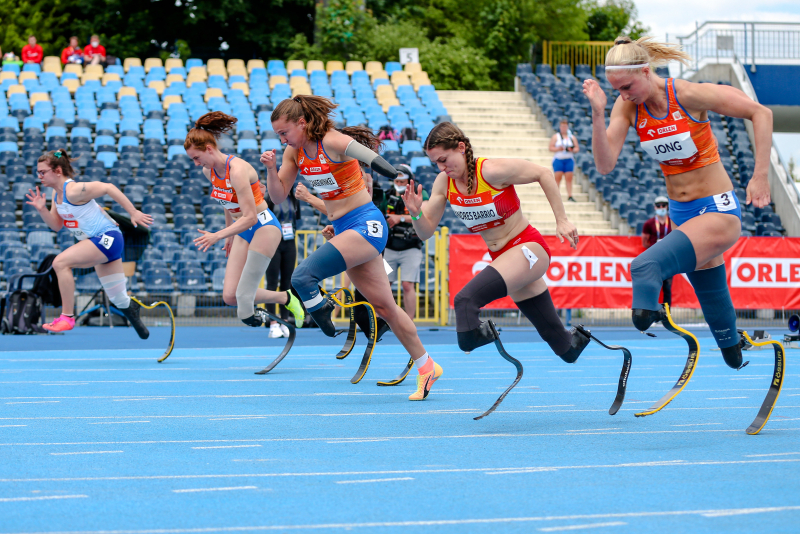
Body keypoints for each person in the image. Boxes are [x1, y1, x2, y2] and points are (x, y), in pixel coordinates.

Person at [582, 36, 773, 369]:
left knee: (644, 267)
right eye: (617, 90)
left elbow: (761, 113)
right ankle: (736, 352)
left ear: (645, 71)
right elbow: (604, 164)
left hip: (717, 210)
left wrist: (760, 175)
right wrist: (598, 114)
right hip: (680, 213)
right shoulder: (627, 107)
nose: (624, 95)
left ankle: (648, 317)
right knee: (714, 299)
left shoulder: (687, 94)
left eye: (627, 86)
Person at [261, 95, 440, 401]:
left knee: (302, 278)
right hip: (345, 228)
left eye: (285, 132)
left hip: (367, 224)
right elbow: (278, 196)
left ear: (302, 123)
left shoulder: (332, 141)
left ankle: (325, 314)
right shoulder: (294, 152)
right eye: (278, 134)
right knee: (386, 308)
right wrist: (272, 168)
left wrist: (391, 173)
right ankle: (428, 367)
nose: (282, 138)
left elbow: (367, 156)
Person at [403, 122, 590, 363]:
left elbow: (543, 173)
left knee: (465, 301)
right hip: (504, 259)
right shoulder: (444, 183)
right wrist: (417, 213)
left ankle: (480, 335)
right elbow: (426, 232)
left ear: (461, 147)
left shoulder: (490, 171)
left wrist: (561, 220)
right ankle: (577, 339)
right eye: (436, 163)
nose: (441, 167)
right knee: (563, 346)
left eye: (444, 159)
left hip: (527, 249)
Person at [184, 111, 305, 330]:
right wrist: (229, 231)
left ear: (209, 149)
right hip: (242, 229)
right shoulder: (207, 171)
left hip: (263, 227)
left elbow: (250, 217)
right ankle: (286, 298)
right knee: (230, 296)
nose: (196, 163)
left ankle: (259, 315)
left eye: (196, 157)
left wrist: (218, 235)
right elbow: (227, 202)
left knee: (243, 301)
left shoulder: (237, 170)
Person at [25, 150, 152, 335]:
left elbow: (109, 187)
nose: (39, 176)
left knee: (59, 262)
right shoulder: (55, 195)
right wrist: (42, 209)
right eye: (38, 172)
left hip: (107, 238)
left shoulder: (74, 190)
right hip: (98, 243)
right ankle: (132, 308)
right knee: (118, 298)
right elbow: (56, 226)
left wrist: (133, 212)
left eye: (42, 172)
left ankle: (67, 317)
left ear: (58, 170)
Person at [380, 163, 427, 320]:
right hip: (389, 248)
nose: (399, 184)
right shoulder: (387, 194)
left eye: (402, 181)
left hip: (411, 247)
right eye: (397, 181)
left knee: (407, 284)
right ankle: (386, 319)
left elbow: (424, 214)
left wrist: (400, 218)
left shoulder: (420, 194)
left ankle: (410, 321)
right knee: (385, 285)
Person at [265, 182, 301, 338]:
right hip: (273, 243)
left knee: (287, 283)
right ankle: (273, 323)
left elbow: (296, 219)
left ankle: (284, 320)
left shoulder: (294, 199)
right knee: (272, 283)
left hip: (289, 242)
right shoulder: (269, 198)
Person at [641, 195, 674, 307]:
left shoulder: (672, 223)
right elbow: (645, 242)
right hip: (654, 260)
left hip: (668, 260)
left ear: (667, 207)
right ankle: (652, 313)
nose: (661, 208)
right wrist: (654, 250)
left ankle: (667, 316)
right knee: (653, 288)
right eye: (659, 206)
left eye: (663, 205)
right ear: (655, 207)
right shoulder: (649, 224)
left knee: (667, 288)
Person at [548, 119, 579, 202]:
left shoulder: (572, 137)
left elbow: (576, 148)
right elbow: (550, 147)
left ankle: (570, 195)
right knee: (558, 177)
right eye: (562, 126)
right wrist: (558, 148)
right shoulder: (556, 137)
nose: (563, 128)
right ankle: (555, 196)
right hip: (559, 159)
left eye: (565, 126)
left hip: (569, 159)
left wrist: (572, 149)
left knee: (569, 178)